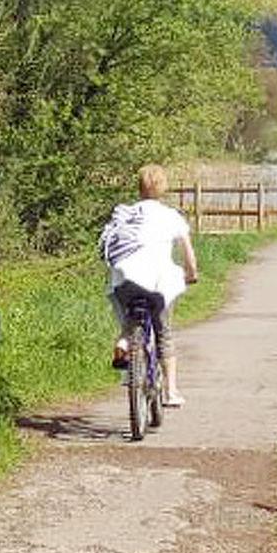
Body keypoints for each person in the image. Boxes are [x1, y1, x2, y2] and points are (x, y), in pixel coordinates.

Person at [100, 165, 200, 408]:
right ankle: (171, 392)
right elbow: (188, 253)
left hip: (125, 279)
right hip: (158, 282)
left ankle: (124, 342)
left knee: (130, 320)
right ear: (163, 188)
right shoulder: (171, 216)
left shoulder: (126, 213)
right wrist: (191, 274)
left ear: (139, 187)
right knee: (163, 332)